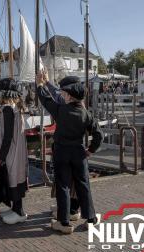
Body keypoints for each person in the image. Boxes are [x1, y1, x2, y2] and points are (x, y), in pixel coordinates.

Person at [35, 71, 103, 234]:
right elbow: (99, 134)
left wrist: (39, 84)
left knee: (63, 186)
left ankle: (64, 223)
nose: (63, 95)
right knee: (83, 185)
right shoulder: (86, 114)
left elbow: (45, 99)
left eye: (65, 94)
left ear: (70, 96)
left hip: (61, 152)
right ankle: (91, 219)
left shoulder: (61, 110)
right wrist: (90, 150)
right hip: (79, 153)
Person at [0, 78, 28, 225]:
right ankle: (16, 208)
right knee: (16, 178)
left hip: (11, 151)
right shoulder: (16, 107)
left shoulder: (8, 109)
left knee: (13, 177)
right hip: (18, 150)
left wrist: (1, 156)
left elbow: (7, 136)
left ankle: (19, 211)